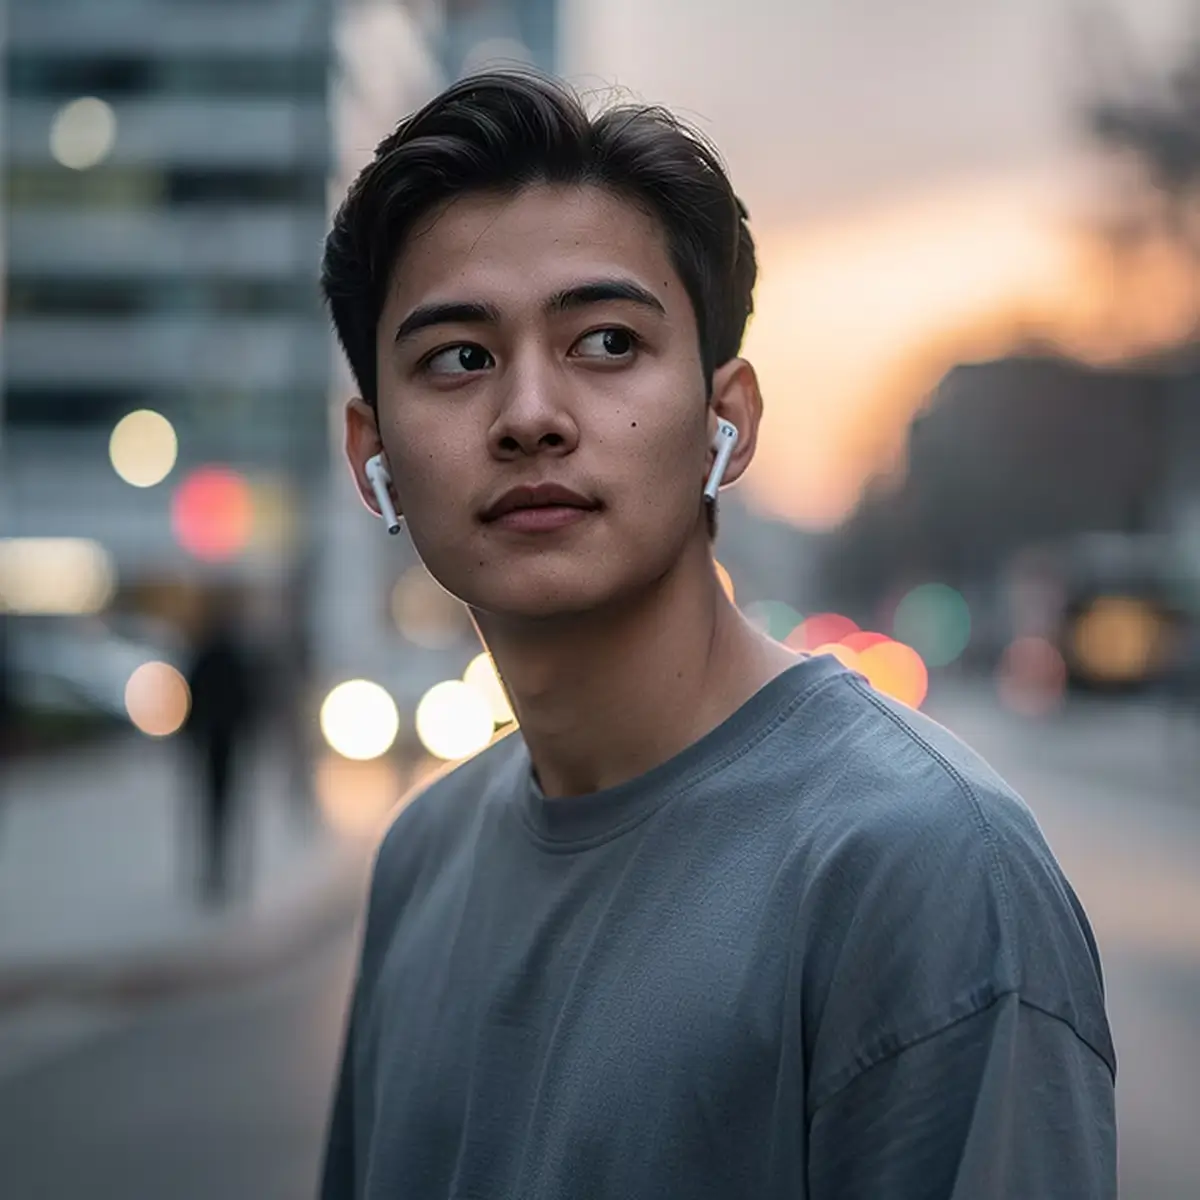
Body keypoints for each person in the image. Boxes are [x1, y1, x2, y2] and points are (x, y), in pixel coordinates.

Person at [319, 72, 1116, 1199]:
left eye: (604, 342)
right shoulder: (423, 857)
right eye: (459, 357)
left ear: (726, 421)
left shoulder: (922, 870)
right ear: (372, 456)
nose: (531, 414)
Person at [183, 591, 259, 904]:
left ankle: (216, 869)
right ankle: (220, 869)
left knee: (212, 807)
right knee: (224, 805)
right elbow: (246, 699)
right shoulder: (231, 654)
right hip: (224, 740)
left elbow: (193, 698)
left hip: (213, 740)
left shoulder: (207, 653)